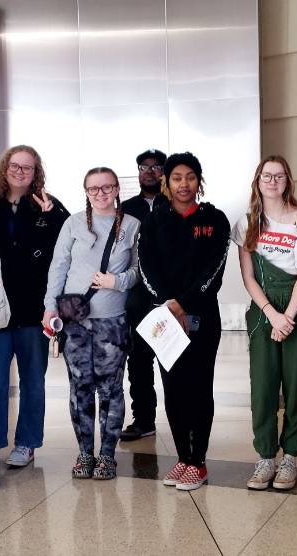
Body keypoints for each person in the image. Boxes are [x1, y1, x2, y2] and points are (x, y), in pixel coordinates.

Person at [138, 152, 230, 491]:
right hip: (165, 319)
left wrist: (184, 302)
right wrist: (168, 304)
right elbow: (145, 267)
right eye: (177, 177)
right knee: (172, 388)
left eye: (190, 177)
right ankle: (182, 458)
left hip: (202, 317)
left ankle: (199, 462)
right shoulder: (154, 220)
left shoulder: (214, 219)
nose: (184, 184)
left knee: (199, 388)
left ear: (199, 181)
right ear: (166, 181)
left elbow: (215, 271)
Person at [43, 167, 141, 480]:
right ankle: (85, 453)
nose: (100, 193)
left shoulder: (132, 225)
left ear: (117, 189)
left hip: (112, 319)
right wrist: (49, 307)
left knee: (110, 389)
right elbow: (58, 267)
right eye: (93, 189)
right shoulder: (73, 223)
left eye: (107, 187)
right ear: (86, 192)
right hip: (75, 322)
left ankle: (107, 456)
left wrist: (118, 281)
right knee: (80, 387)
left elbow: (140, 270)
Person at [233, 155, 297, 491]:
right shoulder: (246, 223)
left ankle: (290, 458)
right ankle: (266, 456)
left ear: (288, 181)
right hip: (263, 308)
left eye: (279, 176)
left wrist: (289, 317)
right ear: (258, 180)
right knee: (263, 387)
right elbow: (247, 275)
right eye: (267, 176)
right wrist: (271, 314)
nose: (272, 182)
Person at [0, 145, 69, 468]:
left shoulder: (49, 207)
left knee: (33, 379)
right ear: (5, 168)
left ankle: (27, 443)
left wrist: (53, 216)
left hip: (34, 311)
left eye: (28, 168)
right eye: (15, 166)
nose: (20, 172)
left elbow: (65, 249)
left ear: (36, 173)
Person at [119, 149, 168, 442]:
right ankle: (143, 419)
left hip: (168, 295)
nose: (149, 171)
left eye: (156, 166)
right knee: (138, 360)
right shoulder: (124, 208)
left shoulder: (174, 204)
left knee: (173, 358)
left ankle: (182, 418)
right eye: (144, 167)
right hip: (136, 296)